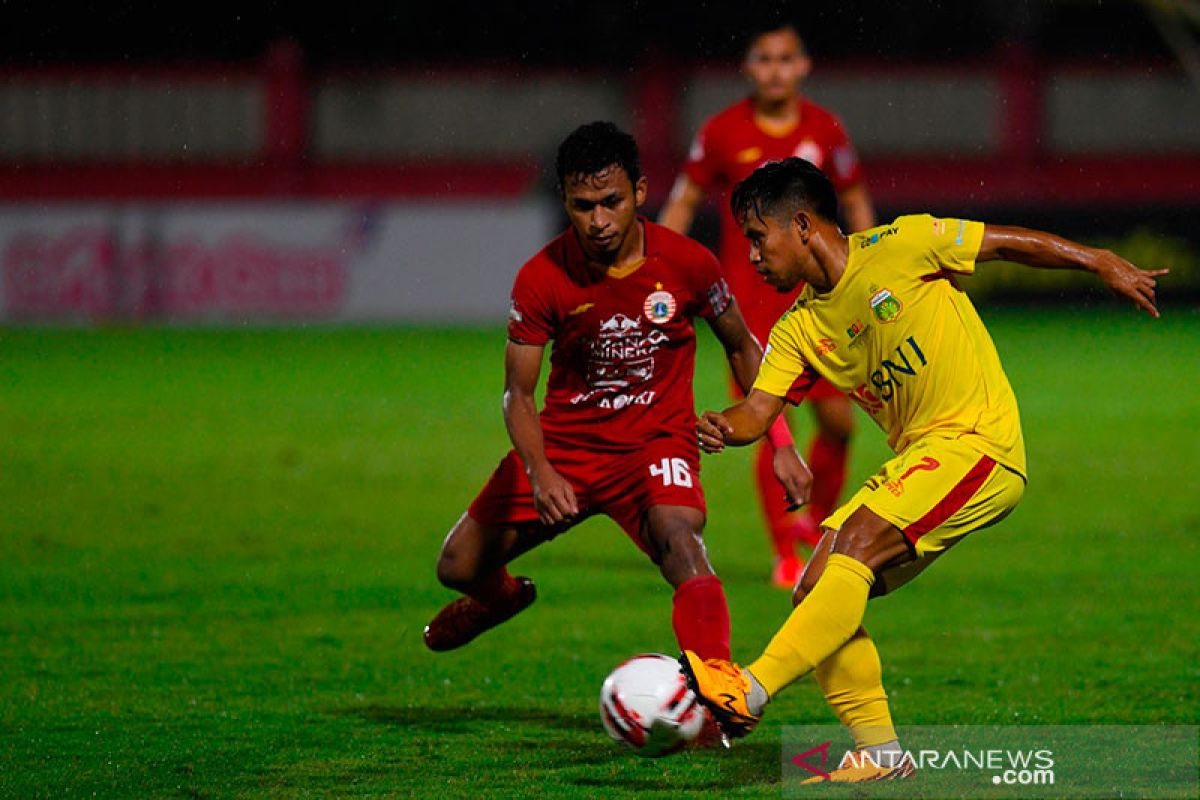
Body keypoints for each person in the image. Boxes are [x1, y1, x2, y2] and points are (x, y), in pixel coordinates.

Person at [679, 157, 1166, 783]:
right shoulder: (798, 328)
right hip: (922, 459)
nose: (750, 256)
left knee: (849, 548)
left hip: (978, 442)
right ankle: (880, 756)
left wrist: (1098, 260)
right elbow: (755, 414)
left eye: (756, 236)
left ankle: (749, 690)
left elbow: (1007, 244)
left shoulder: (904, 243)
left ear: (801, 225)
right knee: (818, 584)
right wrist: (721, 424)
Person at [423, 123, 809, 669]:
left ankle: (716, 692)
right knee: (458, 568)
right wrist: (540, 472)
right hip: (566, 447)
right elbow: (518, 395)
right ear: (564, 200)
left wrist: (782, 444)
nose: (599, 221)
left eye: (611, 202)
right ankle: (503, 599)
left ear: (640, 193)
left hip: (657, 444)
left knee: (683, 543)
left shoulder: (688, 263)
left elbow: (744, 349)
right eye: (583, 206)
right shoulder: (541, 278)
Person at [659, 21, 875, 589]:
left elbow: (851, 196)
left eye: (786, 58)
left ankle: (818, 525)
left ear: (803, 66)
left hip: (820, 303)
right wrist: (657, 266)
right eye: (764, 59)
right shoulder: (722, 132)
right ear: (747, 68)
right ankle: (787, 550)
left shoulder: (825, 129)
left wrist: (870, 264)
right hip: (748, 306)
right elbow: (684, 199)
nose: (775, 69)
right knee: (769, 424)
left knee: (839, 425)